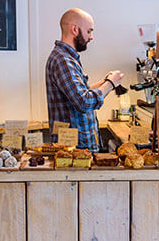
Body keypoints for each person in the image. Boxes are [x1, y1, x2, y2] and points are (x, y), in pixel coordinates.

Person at [45, 8, 123, 151]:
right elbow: (83, 102)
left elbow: (81, 92)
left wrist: (104, 81)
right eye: (89, 31)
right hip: (75, 150)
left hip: (79, 147)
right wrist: (110, 84)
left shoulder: (68, 58)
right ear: (74, 29)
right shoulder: (63, 60)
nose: (91, 37)